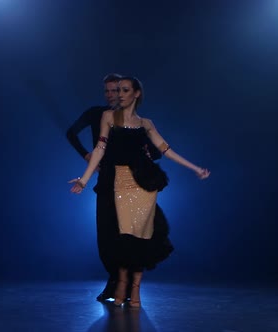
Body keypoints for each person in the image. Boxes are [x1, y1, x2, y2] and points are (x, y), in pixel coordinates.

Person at [69, 76, 210, 307]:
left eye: (125, 90)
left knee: (140, 237)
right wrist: (84, 180)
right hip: (119, 183)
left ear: (136, 94)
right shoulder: (108, 117)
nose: (119, 94)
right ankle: (122, 285)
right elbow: (99, 149)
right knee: (121, 237)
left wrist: (195, 168)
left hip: (143, 185)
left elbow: (166, 150)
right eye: (118, 90)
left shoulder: (146, 123)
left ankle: (135, 291)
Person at [66, 73, 163, 302]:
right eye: (108, 91)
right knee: (106, 236)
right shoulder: (97, 114)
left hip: (131, 185)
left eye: (116, 90)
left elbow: (157, 150)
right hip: (106, 181)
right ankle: (116, 282)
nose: (112, 95)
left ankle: (122, 286)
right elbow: (71, 133)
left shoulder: (133, 121)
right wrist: (87, 155)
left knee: (126, 236)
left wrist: (147, 157)